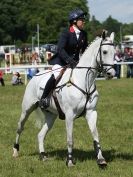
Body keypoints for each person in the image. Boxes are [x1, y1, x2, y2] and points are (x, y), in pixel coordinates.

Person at [39, 8, 88, 109]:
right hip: (61, 61)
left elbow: (84, 51)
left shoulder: (84, 34)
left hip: (75, 63)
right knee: (56, 75)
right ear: (74, 21)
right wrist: (69, 61)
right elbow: (60, 49)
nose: (84, 21)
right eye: (81, 19)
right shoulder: (66, 33)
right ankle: (44, 98)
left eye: (83, 20)